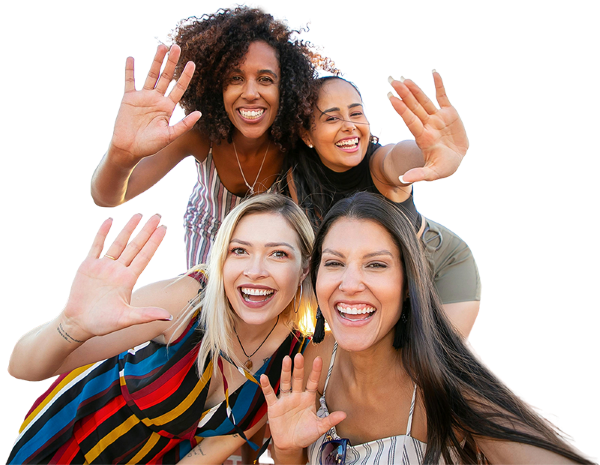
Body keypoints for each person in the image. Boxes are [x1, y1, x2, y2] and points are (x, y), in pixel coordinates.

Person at [259, 192, 597, 465]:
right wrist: (287, 450)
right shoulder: (314, 360)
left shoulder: (444, 374)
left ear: (408, 283)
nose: (349, 284)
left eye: (376, 265)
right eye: (334, 263)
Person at [7, 193, 315, 464]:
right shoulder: (188, 301)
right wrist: (70, 325)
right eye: (239, 251)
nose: (255, 270)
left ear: (304, 268)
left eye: (278, 254)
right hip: (66, 445)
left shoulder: (294, 357)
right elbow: (23, 368)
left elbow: (219, 443)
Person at [90, 2, 341, 270]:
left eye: (266, 79)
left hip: (269, 250)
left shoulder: (297, 142)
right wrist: (120, 153)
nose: (251, 92)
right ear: (215, 87)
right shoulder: (199, 136)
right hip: (209, 242)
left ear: (286, 89)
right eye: (235, 78)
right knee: (205, 307)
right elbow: (108, 197)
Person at [282, 73, 481, 338]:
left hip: (440, 265)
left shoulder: (379, 165)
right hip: (381, 281)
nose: (349, 125)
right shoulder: (299, 177)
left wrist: (428, 153)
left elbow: (399, 158)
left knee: (433, 368)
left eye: (356, 114)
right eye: (332, 118)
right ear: (307, 133)